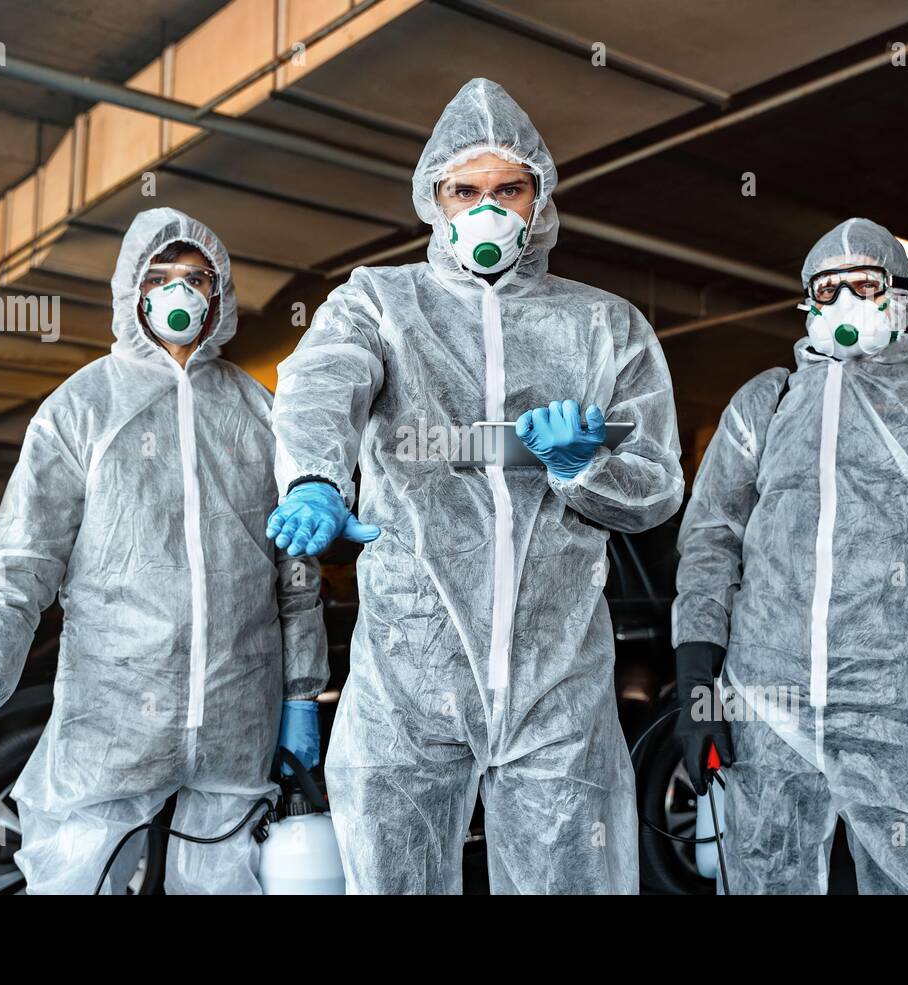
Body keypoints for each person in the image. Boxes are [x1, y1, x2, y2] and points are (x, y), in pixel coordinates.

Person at [267, 78, 684, 894]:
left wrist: (582, 466)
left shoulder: (606, 325)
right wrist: (316, 478)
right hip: (410, 679)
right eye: (465, 190)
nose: (486, 209)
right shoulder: (381, 303)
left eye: (508, 189)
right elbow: (319, 385)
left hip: (556, 681)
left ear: (540, 200)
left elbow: (657, 484)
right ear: (435, 199)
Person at [0, 208, 327, 894]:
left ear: (220, 294)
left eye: (197, 277)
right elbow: (23, 561)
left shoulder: (256, 412)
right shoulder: (81, 408)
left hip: (236, 717)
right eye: (162, 276)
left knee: (225, 879)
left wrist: (300, 694)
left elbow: (294, 575)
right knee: (76, 875)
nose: (181, 292)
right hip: (111, 719)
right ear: (134, 289)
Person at [672, 217, 908, 894]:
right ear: (806, 303)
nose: (842, 300)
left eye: (862, 284)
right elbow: (708, 546)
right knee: (760, 880)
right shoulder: (765, 403)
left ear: (899, 295)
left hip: (905, 718)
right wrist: (698, 692)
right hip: (766, 709)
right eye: (825, 288)